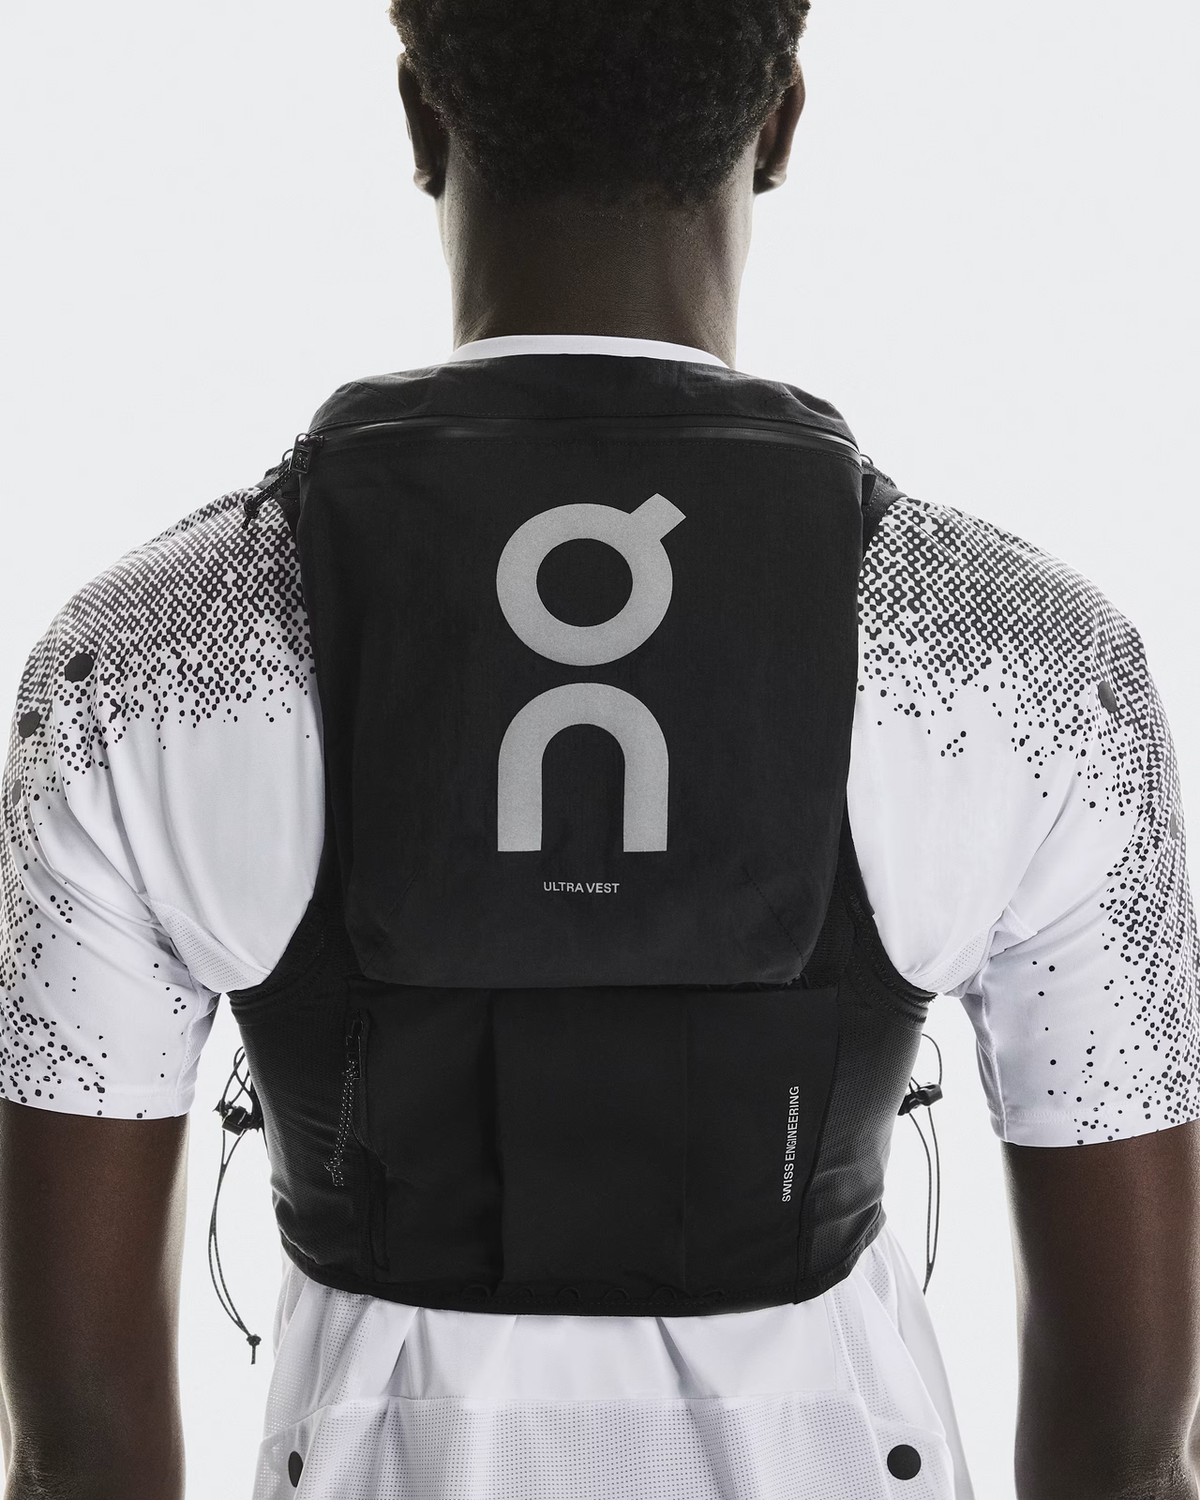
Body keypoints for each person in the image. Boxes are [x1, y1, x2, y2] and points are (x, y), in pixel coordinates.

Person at [1, 2, 1198, 1498]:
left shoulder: (139, 662)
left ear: (420, 118)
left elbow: (76, 1451)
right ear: (781, 121)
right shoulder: (1028, 662)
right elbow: (1132, 1454)